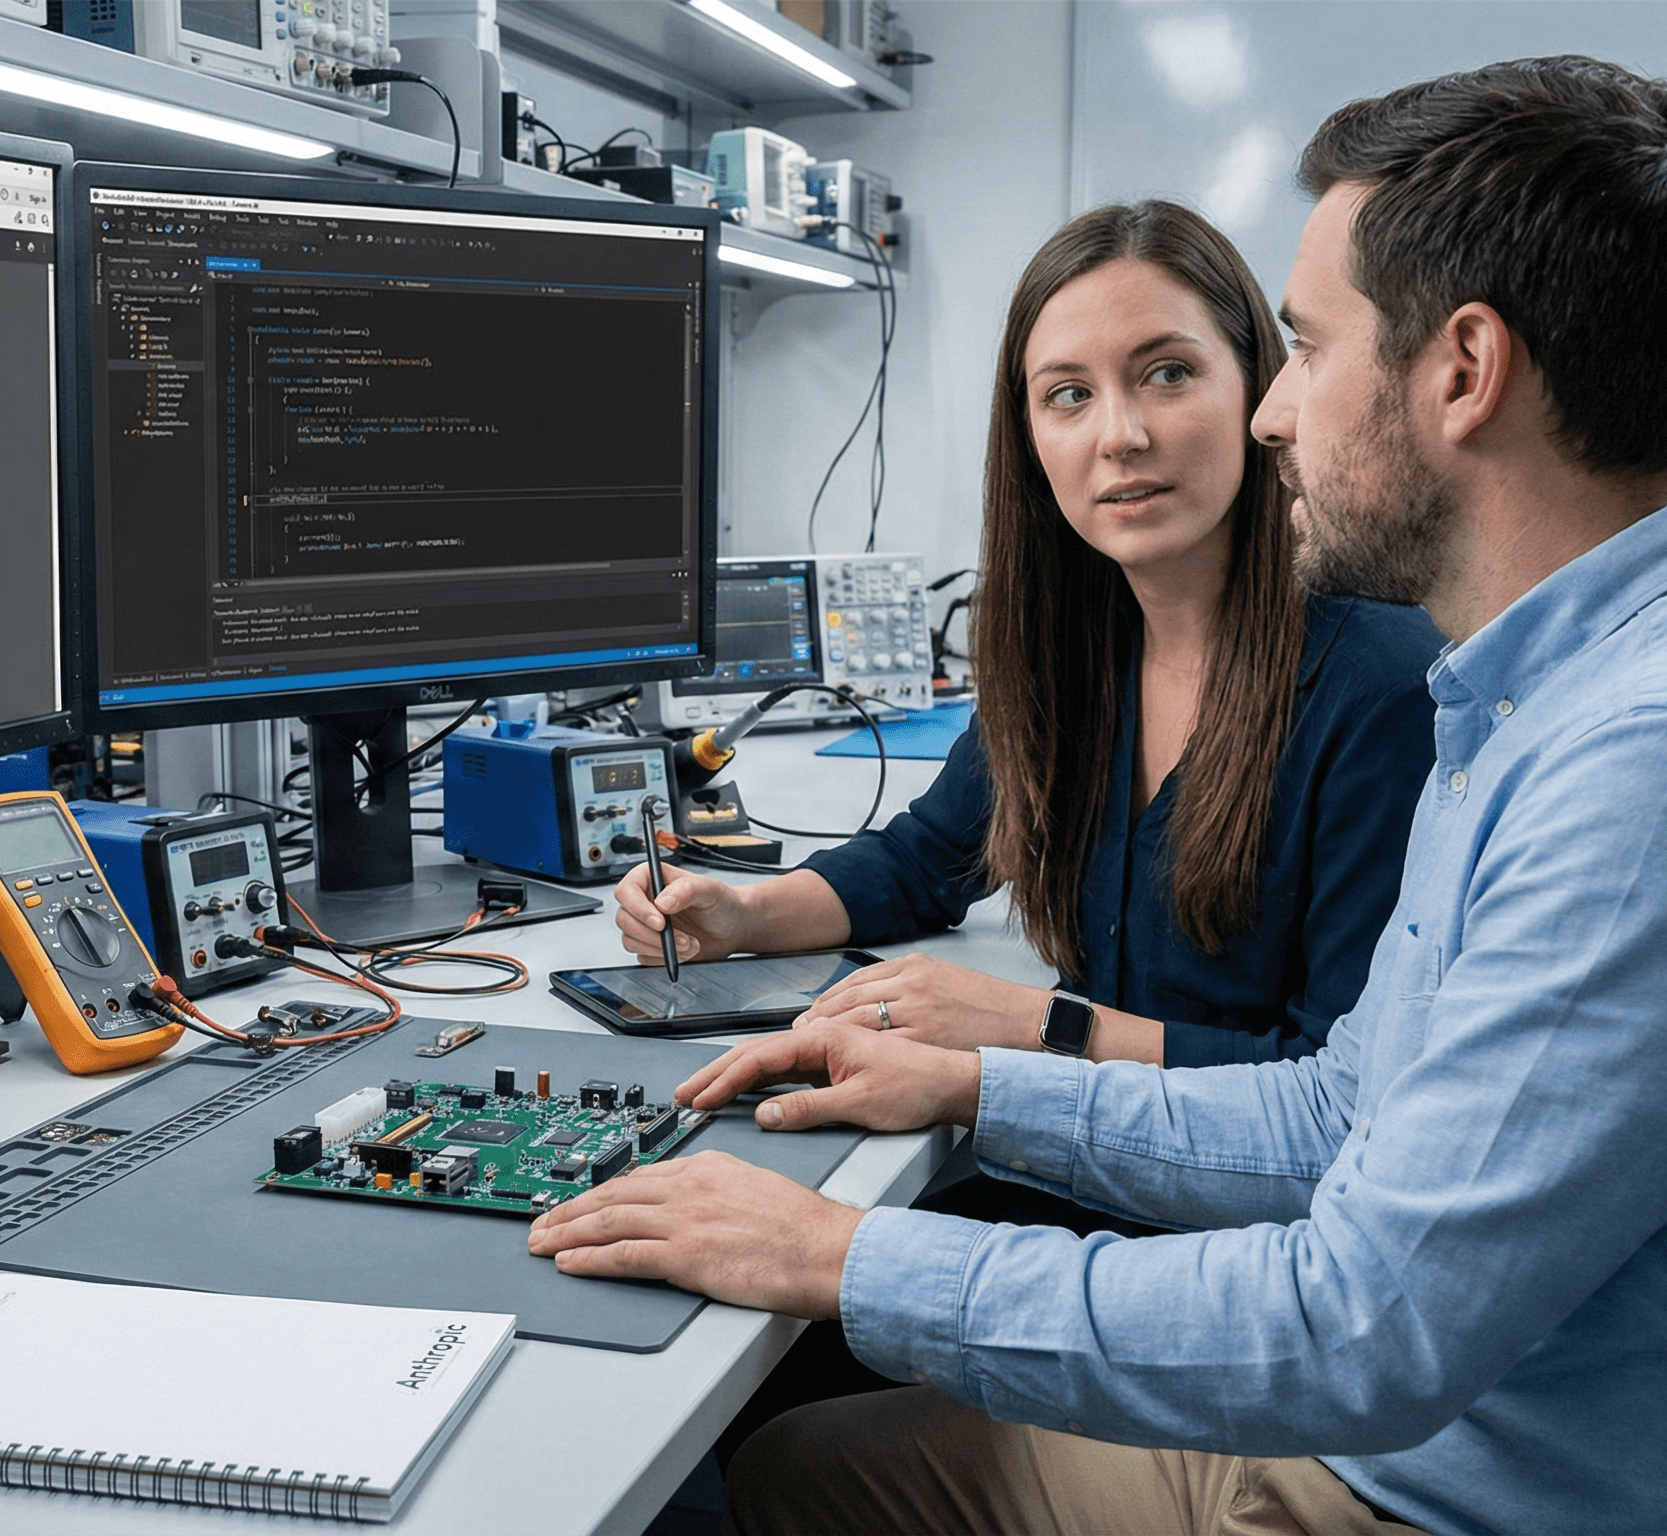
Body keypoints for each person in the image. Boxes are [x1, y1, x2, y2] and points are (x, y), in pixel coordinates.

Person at [536, 55, 1667, 1534]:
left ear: (1463, 372)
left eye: (1304, 348)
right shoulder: (1559, 695)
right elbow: (1351, 1113)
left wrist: (839, 1255)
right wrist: (984, 1089)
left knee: (740, 1483)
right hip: (1457, 1437)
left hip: (1464, 1495)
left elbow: (1363, 1325)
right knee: (788, 1445)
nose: (1275, 413)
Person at [615, 200, 1440, 1078]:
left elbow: (1330, 1091)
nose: (1120, 437)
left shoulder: (1379, 685)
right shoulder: (1070, 649)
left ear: (1257, 386)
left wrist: (1039, 1023)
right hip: (1079, 1142)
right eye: (1069, 395)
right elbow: (928, 859)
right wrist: (745, 916)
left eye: (1167, 373)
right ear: (1031, 436)